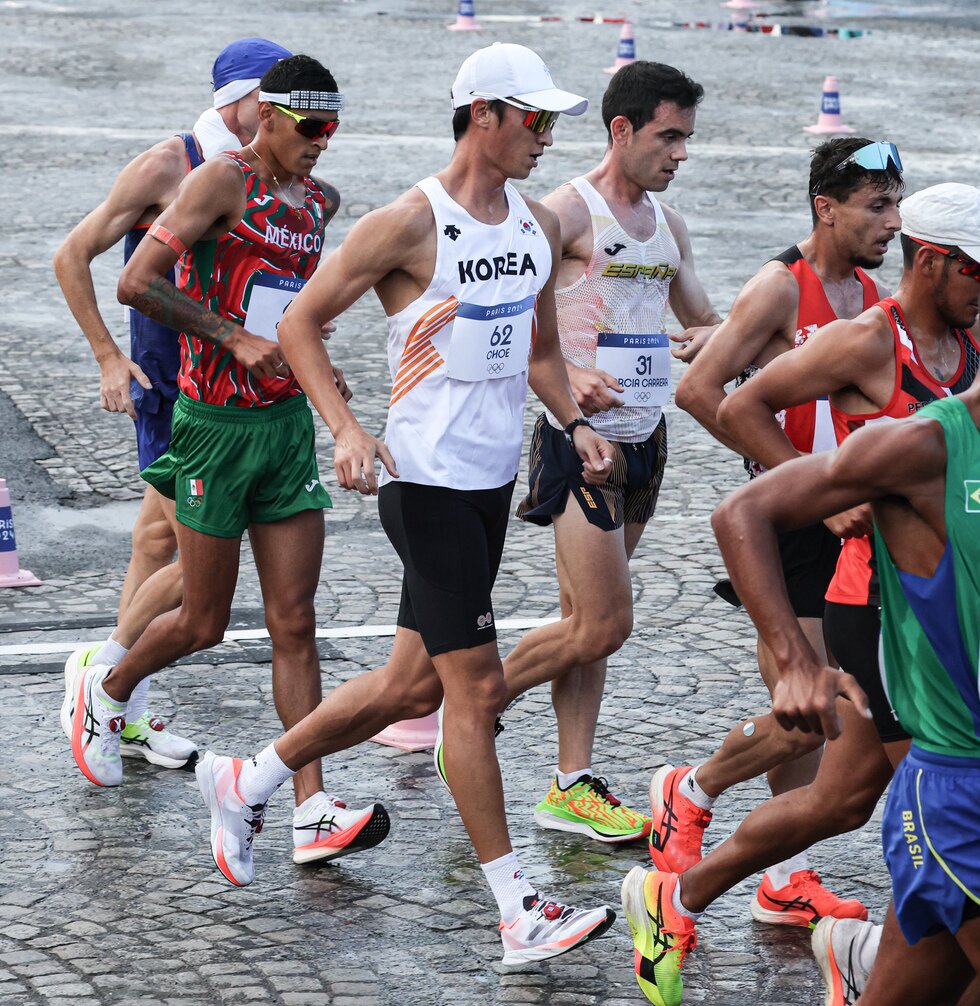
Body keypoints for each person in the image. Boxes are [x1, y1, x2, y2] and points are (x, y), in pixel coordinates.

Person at [624, 233, 980, 1006]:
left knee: (853, 832)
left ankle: (703, 897)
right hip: (962, 802)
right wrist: (796, 662)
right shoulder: (922, 440)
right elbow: (742, 510)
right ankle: (693, 846)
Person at [192, 43, 620, 964]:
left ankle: (247, 779)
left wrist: (572, 420)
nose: (547, 137)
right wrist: (347, 429)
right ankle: (516, 911)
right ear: (483, 116)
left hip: (487, 486)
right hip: (423, 486)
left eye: (551, 122)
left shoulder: (539, 225)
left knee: (409, 685)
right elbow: (299, 321)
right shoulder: (410, 222)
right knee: (478, 689)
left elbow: (541, 350)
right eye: (535, 119)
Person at [643, 182, 980, 947]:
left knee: (840, 800)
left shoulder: (976, 344)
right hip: (876, 605)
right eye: (976, 269)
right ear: (932, 263)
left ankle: (677, 896)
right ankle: (899, 964)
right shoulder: (866, 340)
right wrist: (818, 492)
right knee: (947, 799)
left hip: (943, 606)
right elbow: (734, 406)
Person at [66, 55, 383, 871]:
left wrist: (311, 360)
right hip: (212, 424)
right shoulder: (220, 182)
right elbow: (136, 281)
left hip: (284, 427)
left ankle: (310, 807)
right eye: (311, 126)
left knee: (295, 621)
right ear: (266, 114)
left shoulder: (319, 203)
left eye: (333, 128)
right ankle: (106, 689)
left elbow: (294, 306)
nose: (323, 141)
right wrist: (231, 337)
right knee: (204, 621)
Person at [654, 137, 901, 921]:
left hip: (853, 525)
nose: (893, 221)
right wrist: (800, 482)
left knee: (819, 722)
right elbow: (700, 391)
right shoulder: (779, 286)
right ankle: (690, 787)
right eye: (877, 206)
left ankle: (783, 878)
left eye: (896, 205)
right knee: (820, 709)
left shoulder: (869, 293)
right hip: (794, 526)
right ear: (826, 208)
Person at [53, 37, 295, 771]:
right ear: (243, 101)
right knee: (192, 559)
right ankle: (104, 679)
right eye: (276, 101)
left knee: (158, 542)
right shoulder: (172, 163)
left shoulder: (272, 172)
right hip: (179, 389)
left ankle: (121, 702)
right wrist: (108, 356)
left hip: (240, 395)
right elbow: (72, 254)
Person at [500, 60, 720, 844]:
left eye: (687, 139)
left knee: (583, 624)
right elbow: (509, 324)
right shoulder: (565, 213)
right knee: (602, 624)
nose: (680, 154)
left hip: (644, 442)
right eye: (669, 137)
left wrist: (729, 339)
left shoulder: (668, 225)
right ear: (621, 129)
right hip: (577, 442)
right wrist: (571, 378)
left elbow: (703, 321)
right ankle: (477, 701)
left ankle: (571, 783)